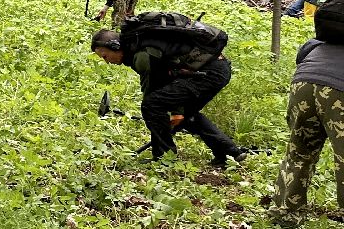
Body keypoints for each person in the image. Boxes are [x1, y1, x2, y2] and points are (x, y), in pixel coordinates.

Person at [90, 21, 246, 168]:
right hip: (214, 70)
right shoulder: (137, 47)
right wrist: (176, 111)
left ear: (115, 45)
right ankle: (229, 153)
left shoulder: (141, 56)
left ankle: (165, 159)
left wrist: (166, 112)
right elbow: (165, 81)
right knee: (186, 115)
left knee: (152, 105)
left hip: (208, 73)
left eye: (105, 56)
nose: (107, 61)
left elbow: (152, 91)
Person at [269, 0, 344, 229]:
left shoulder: (319, 42)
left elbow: (301, 56)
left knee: (299, 152)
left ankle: (285, 213)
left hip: (304, 82)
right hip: (339, 91)